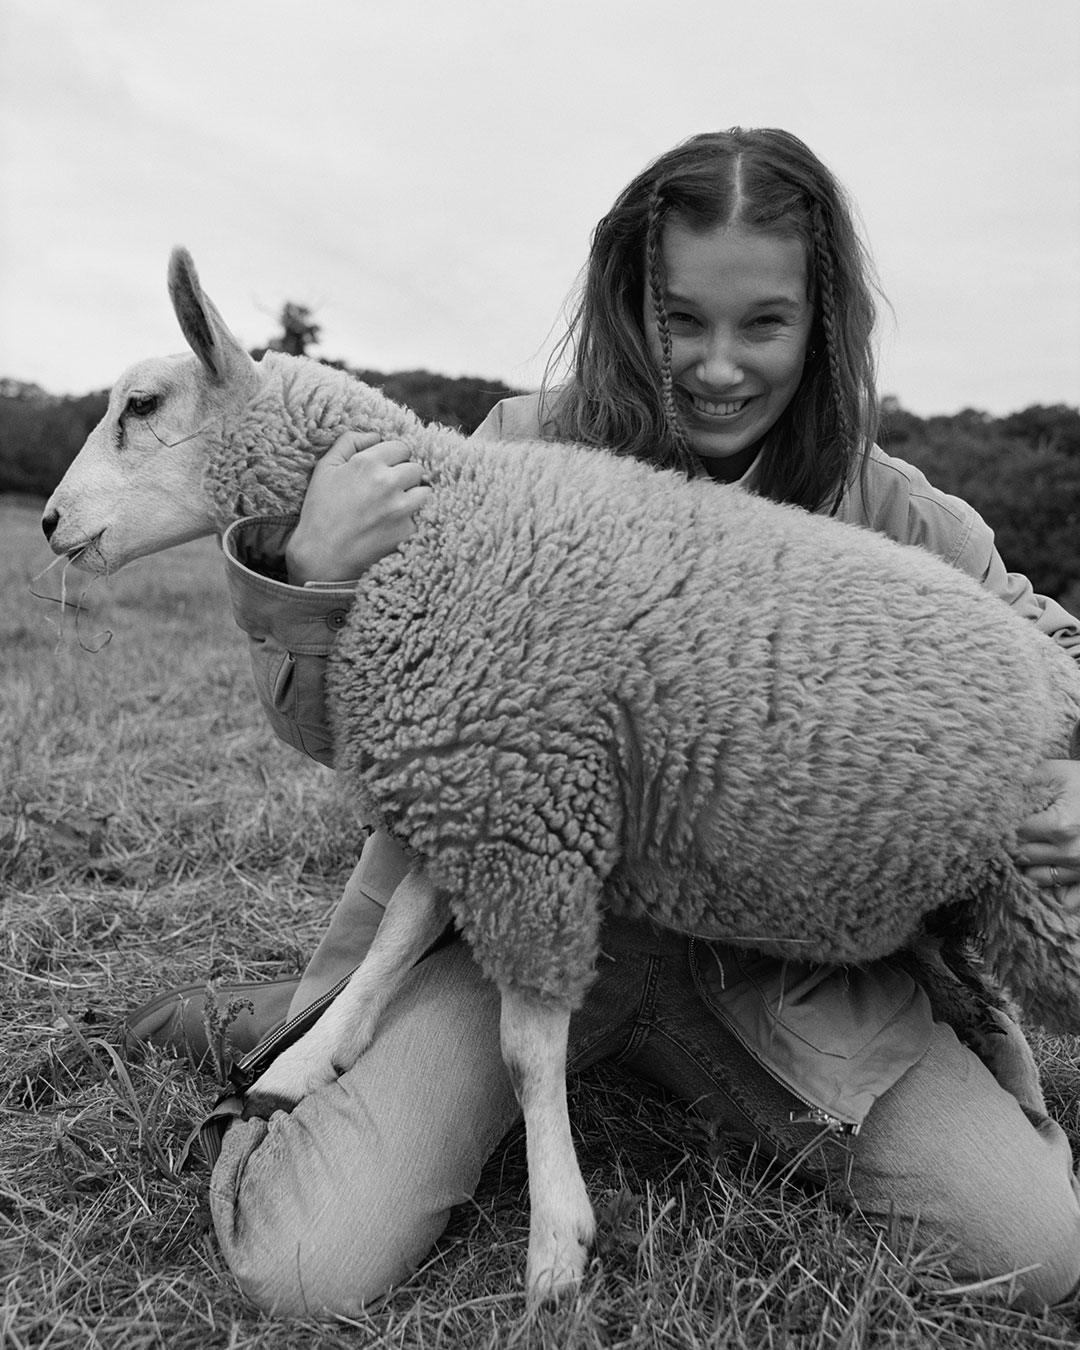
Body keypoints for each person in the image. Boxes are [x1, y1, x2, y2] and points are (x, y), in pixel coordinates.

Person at [128, 128, 1080, 1316]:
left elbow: (1050, 663)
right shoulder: (505, 456)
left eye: (764, 324)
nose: (719, 366)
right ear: (634, 306)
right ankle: (296, 1022)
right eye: (682, 320)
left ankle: (656, 1071)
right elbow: (336, 732)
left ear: (823, 323)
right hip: (506, 944)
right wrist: (313, 574)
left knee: (1040, 1250)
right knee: (303, 1266)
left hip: (781, 984)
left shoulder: (898, 516)